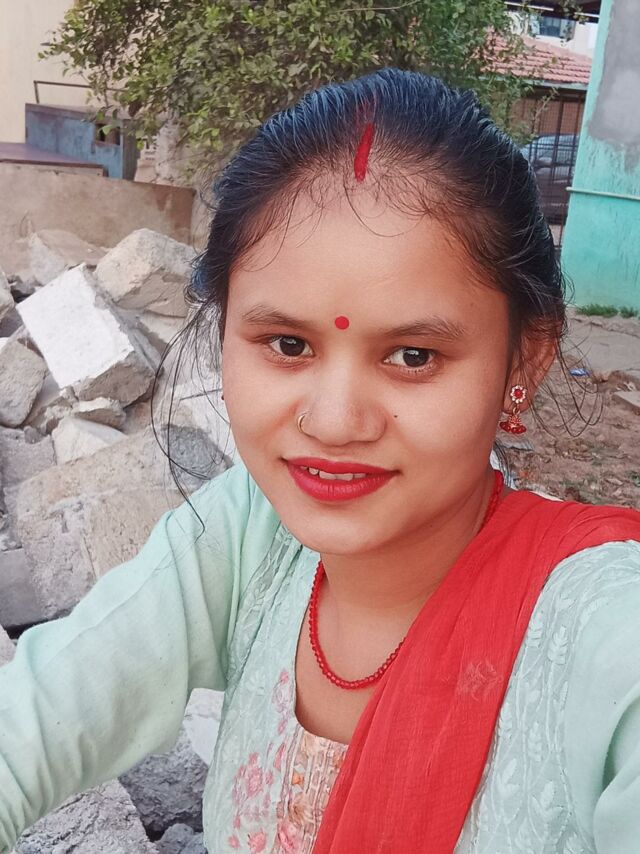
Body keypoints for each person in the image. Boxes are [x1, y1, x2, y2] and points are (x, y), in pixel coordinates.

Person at [1, 68, 640, 854]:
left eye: (413, 355)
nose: (333, 423)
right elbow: (32, 724)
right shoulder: (248, 536)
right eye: (287, 344)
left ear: (525, 360)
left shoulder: (606, 637)